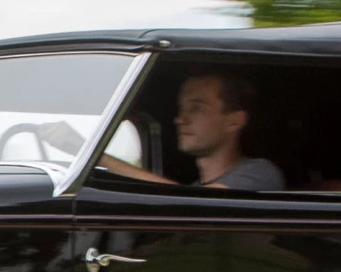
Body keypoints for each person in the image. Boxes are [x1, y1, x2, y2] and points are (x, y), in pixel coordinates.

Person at [99, 69, 285, 190]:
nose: (180, 119)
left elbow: (199, 205)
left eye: (196, 108)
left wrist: (101, 158)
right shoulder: (194, 188)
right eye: (181, 109)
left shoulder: (260, 174)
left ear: (234, 121)